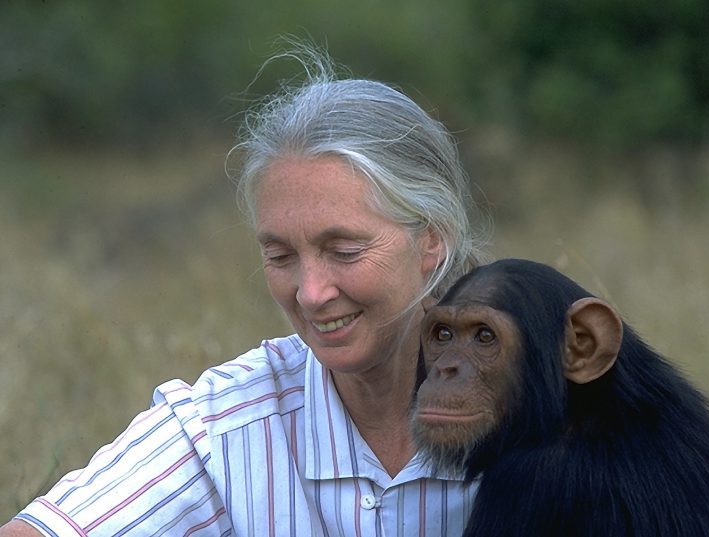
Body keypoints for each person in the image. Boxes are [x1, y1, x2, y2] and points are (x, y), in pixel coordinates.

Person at [0, 45, 489, 536]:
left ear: (432, 239)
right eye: (280, 257)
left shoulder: (538, 408)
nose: (311, 293)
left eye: (343, 250)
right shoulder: (225, 425)